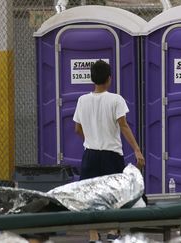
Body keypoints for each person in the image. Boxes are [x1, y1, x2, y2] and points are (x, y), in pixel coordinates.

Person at [73, 60, 145, 242]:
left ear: (92, 79)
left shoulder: (82, 100)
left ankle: (93, 235)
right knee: (114, 194)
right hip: (111, 154)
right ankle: (113, 231)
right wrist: (137, 150)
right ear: (109, 78)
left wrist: (89, 140)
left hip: (89, 154)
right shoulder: (116, 100)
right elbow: (124, 126)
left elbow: (77, 129)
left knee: (91, 196)